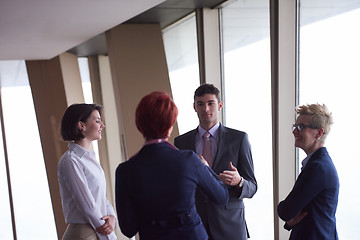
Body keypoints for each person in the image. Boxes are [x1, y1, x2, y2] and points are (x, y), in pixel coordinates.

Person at [115, 91, 229, 240]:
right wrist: (205, 166)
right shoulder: (189, 160)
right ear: (170, 126)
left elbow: (128, 229)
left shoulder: (125, 170)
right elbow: (221, 196)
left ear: (139, 125)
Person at [174, 83, 257, 240]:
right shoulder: (181, 142)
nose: (206, 109)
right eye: (200, 104)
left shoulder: (239, 139)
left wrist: (239, 182)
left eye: (210, 103)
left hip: (230, 227)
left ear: (220, 105)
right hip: (195, 226)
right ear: (194, 107)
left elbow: (252, 186)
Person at [277, 103, 339, 239]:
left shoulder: (318, 167)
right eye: (295, 126)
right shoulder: (319, 163)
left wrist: (282, 209)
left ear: (319, 133)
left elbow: (286, 211)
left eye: (301, 127)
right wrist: (289, 222)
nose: (294, 131)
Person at [58, 103, 117, 240]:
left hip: (96, 229)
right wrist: (109, 236)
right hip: (84, 234)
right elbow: (87, 205)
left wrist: (112, 217)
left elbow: (101, 197)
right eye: (97, 121)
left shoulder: (89, 158)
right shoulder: (71, 160)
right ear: (81, 125)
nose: (102, 125)